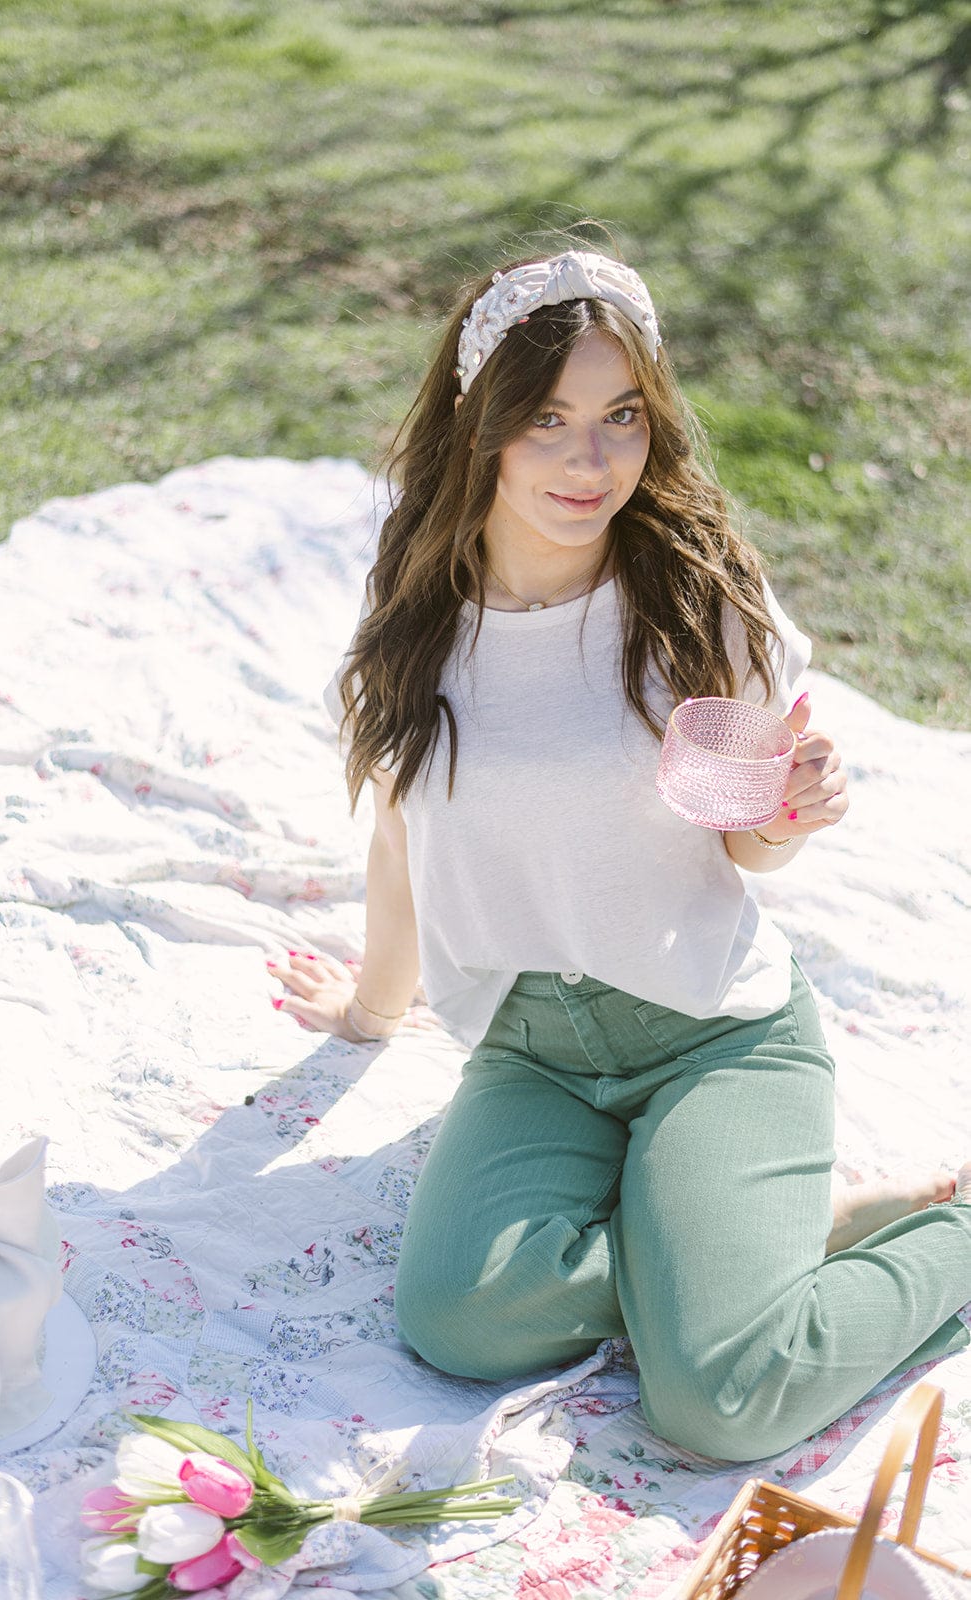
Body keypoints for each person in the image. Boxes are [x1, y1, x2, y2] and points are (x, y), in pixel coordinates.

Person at [266, 244, 971, 1463]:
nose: (591, 463)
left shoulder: (699, 604)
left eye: (621, 417)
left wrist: (788, 812)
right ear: (478, 423)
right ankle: (748, 1246)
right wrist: (376, 1012)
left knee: (721, 1401)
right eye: (548, 419)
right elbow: (406, 826)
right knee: (458, 1317)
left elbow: (745, 840)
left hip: (712, 1030)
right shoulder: (421, 623)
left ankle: (906, 1246)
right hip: (537, 1049)